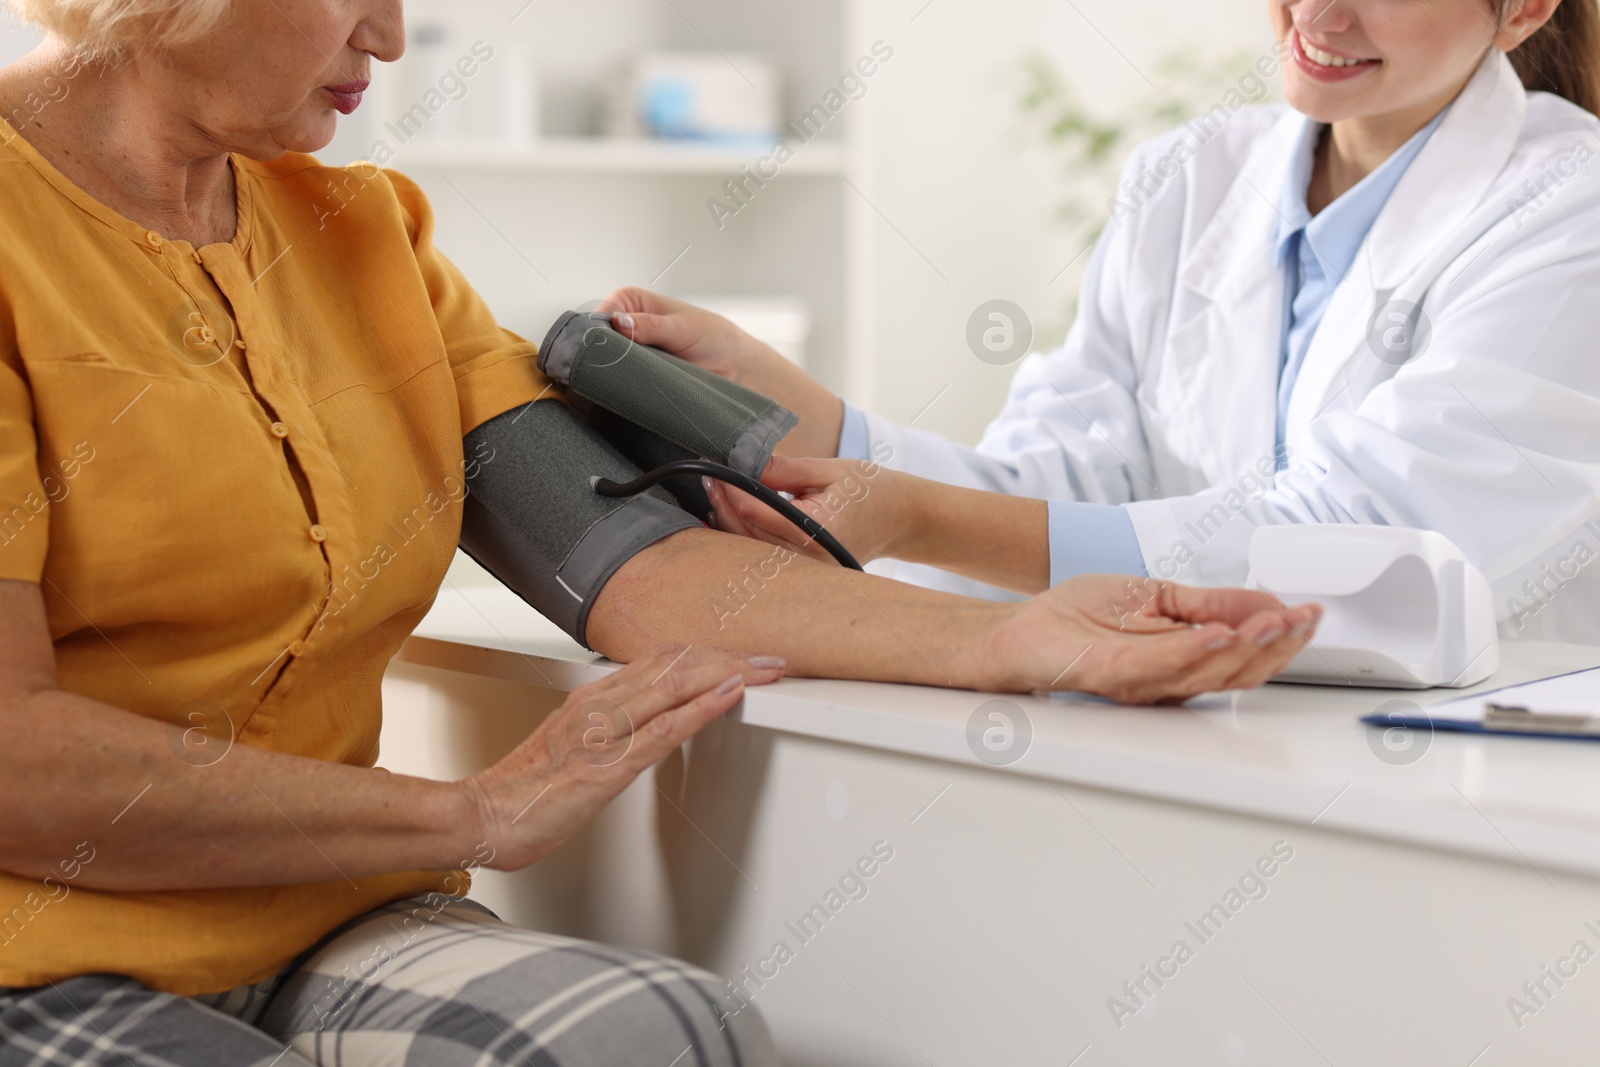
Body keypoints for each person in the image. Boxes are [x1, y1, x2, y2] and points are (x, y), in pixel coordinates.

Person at [0, 0, 1320, 1062]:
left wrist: (1023, 636)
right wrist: (464, 809)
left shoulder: (365, 238)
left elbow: (643, 565)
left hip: (319, 919)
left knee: (661, 1027)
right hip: (35, 956)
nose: (392, 38)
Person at [606, 0, 1600, 644]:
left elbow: (1377, 539)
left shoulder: (1569, 205)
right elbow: (1062, 483)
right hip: (1191, 740)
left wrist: (912, 511)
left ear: (1519, 11)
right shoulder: (1189, 175)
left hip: (1468, 777)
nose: (1321, 14)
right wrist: (818, 425)